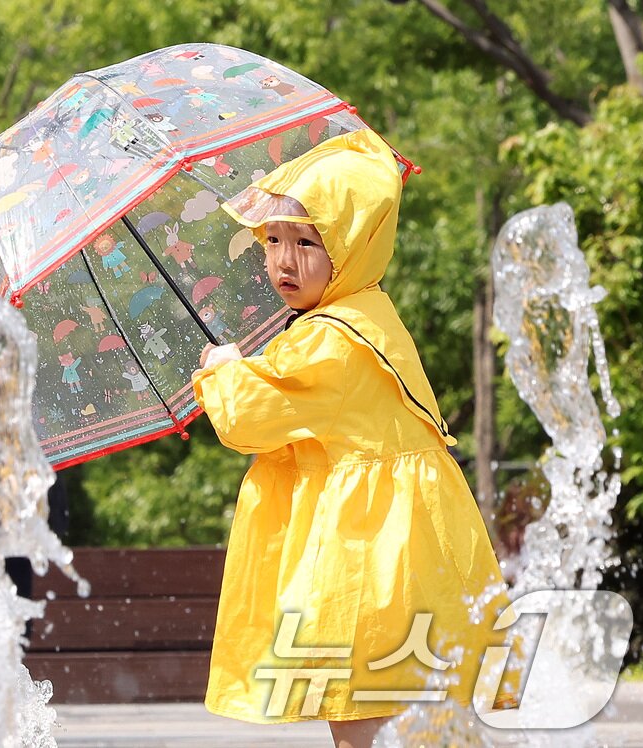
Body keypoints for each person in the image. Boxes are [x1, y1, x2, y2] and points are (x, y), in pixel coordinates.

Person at [191, 130, 519, 748]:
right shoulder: (367, 313)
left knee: (360, 717)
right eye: (273, 241)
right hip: (409, 540)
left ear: (353, 246)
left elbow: (246, 419)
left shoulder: (328, 339)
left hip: (368, 549)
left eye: (307, 243)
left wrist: (223, 366)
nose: (284, 262)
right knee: (406, 717)